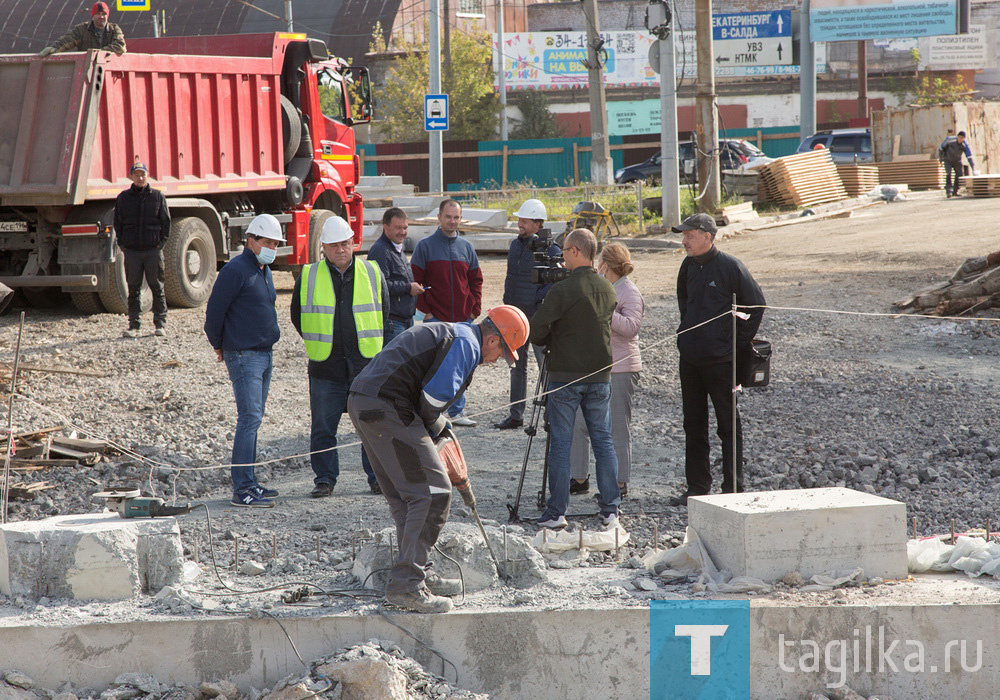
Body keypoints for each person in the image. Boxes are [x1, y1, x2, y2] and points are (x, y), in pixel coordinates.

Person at [347, 305, 529, 613]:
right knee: (433, 493)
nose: (497, 360)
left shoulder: (454, 333)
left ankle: (415, 573)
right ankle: (407, 585)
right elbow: (433, 400)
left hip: (368, 402)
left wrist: (436, 429)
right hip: (387, 406)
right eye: (503, 353)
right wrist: (438, 428)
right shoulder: (466, 343)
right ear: (494, 340)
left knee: (408, 497)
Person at [291, 215, 389, 498]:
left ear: (353, 244)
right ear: (323, 247)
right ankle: (324, 479)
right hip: (326, 366)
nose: (340, 249)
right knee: (323, 428)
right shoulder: (309, 275)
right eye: (333, 245)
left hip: (365, 365)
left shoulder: (372, 273)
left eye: (345, 243)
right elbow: (298, 317)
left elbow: (384, 314)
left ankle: (376, 478)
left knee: (371, 426)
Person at [670, 213, 765, 507]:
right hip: (691, 359)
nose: (684, 241)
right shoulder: (687, 266)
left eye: (689, 235)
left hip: (721, 361)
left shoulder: (730, 266)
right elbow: (684, 303)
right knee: (693, 423)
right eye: (683, 235)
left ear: (708, 236)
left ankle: (732, 489)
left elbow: (757, 305)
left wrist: (733, 341)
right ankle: (697, 488)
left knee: (728, 424)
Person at [528, 228, 620, 530]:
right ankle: (610, 509)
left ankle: (557, 512)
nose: (562, 256)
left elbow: (537, 331)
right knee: (603, 441)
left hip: (566, 376)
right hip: (600, 375)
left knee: (561, 443)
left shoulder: (563, 290)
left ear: (576, 251)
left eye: (565, 251)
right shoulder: (607, 288)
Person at [204, 214, 284, 508]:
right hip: (243, 355)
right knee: (248, 419)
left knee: (255, 419)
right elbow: (214, 312)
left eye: (275, 243)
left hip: (264, 354)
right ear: (251, 241)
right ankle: (243, 489)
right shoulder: (236, 270)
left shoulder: (263, 269)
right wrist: (219, 344)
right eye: (267, 242)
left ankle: (251, 483)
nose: (272, 248)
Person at [569, 242, 645, 498]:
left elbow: (631, 327)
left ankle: (620, 483)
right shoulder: (604, 288)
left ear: (606, 264)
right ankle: (579, 478)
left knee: (616, 428)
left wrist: (604, 312)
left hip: (622, 368)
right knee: (579, 422)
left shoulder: (629, 291)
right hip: (596, 367)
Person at [410, 199, 483, 427]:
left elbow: (476, 281)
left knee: (462, 365)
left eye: (456, 217)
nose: (452, 221)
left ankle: (457, 412)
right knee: (435, 365)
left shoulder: (467, 248)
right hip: (437, 319)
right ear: (439, 217)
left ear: (460, 219)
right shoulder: (425, 246)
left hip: (463, 318)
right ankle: (433, 413)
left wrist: (474, 310)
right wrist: (427, 312)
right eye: (448, 217)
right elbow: (415, 282)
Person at [493, 198, 561, 431]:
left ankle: (550, 416)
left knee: (545, 367)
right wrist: (507, 303)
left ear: (537, 223)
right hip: (514, 317)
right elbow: (511, 276)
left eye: (524, 220)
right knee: (516, 365)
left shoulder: (549, 248)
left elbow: (553, 284)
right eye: (519, 219)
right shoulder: (516, 245)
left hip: (537, 319)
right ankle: (516, 415)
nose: (519, 223)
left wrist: (536, 302)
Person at [113, 160, 170, 338]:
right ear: (131, 176)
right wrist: (123, 245)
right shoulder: (123, 198)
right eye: (137, 174)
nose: (140, 177)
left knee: (157, 287)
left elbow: (166, 223)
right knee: (134, 289)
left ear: (148, 175)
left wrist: (160, 244)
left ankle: (160, 325)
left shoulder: (157, 197)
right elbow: (118, 223)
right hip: (132, 252)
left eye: (143, 174)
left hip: (153, 250)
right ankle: (134, 326)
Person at [367, 208, 423, 345]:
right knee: (394, 364)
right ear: (386, 227)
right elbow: (380, 285)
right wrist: (408, 288)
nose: (403, 232)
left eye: (405, 228)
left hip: (404, 321)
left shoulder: (397, 248)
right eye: (398, 228)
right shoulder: (381, 251)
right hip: (393, 324)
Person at [39, 2, 127, 57]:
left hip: (108, 70)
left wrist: (97, 54)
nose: (101, 17)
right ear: (92, 16)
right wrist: (54, 48)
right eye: (98, 14)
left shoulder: (114, 29)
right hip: (86, 70)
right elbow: (67, 40)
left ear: (108, 16)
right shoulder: (82, 29)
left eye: (104, 14)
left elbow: (120, 46)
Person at [938, 131, 977, 198]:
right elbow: (941, 148)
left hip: (957, 161)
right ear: (957, 137)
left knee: (959, 174)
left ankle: (955, 191)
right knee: (948, 173)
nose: (960, 139)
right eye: (959, 137)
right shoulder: (949, 140)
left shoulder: (965, 145)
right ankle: (948, 191)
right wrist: (941, 159)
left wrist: (973, 168)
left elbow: (969, 156)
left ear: (964, 139)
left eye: (962, 138)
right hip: (948, 160)